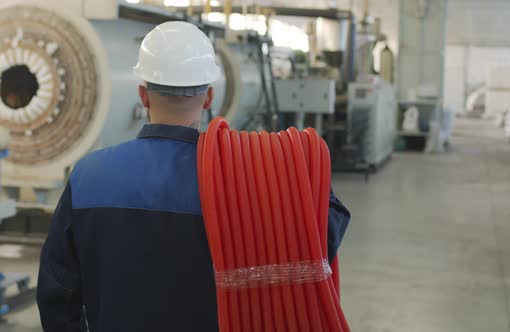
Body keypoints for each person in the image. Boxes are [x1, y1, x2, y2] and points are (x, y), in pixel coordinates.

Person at [36, 21, 350, 332]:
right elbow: (320, 237)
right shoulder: (242, 181)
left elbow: (57, 293)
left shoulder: (88, 176)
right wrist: (292, 168)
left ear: (143, 95)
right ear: (210, 97)